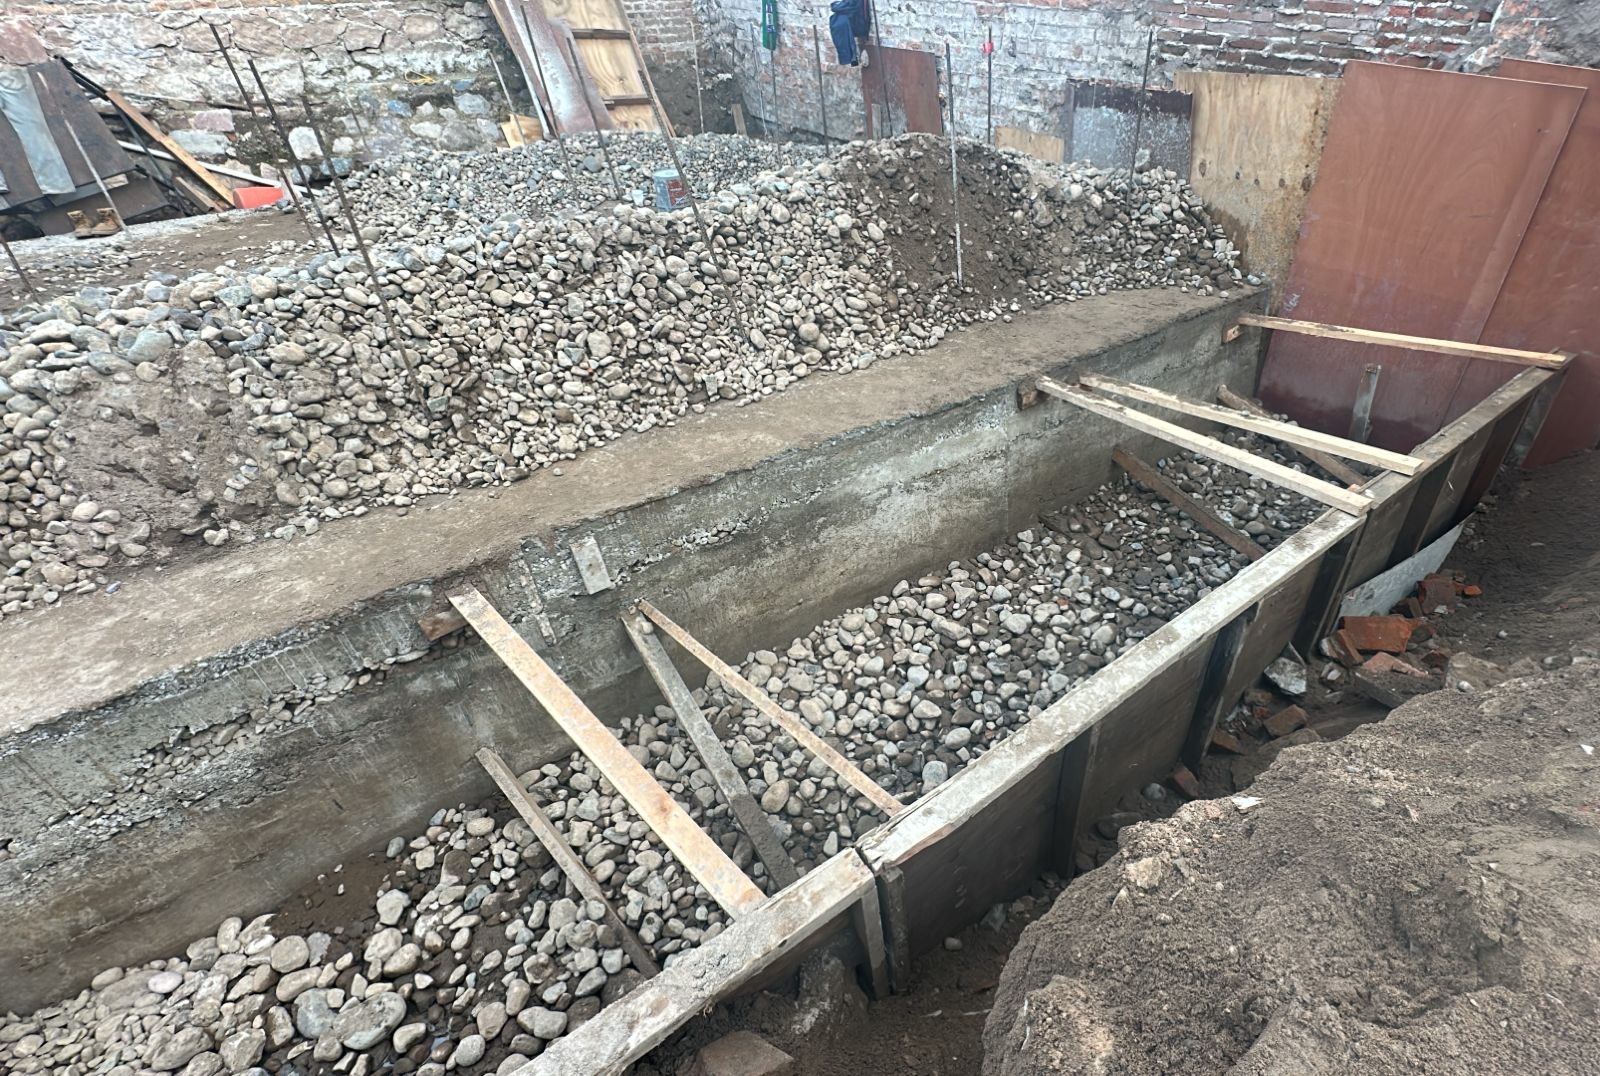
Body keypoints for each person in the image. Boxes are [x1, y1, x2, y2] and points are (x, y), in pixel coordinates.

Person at [829, 0, 871, 67]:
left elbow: (847, 5)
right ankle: (849, 57)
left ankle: (849, 57)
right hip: (855, 21)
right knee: (837, 21)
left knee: (840, 22)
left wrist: (835, 5)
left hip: (859, 24)